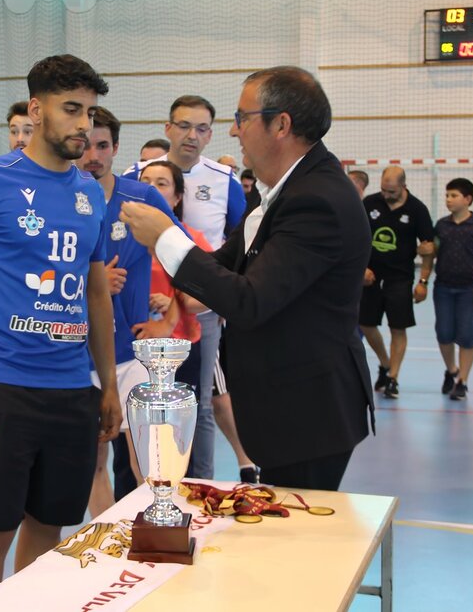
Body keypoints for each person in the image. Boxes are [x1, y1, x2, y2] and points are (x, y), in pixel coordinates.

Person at [120, 65, 374, 490]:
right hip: (285, 407)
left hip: (309, 414)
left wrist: (166, 237)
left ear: (281, 124)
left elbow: (250, 300)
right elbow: (221, 266)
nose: (234, 133)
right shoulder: (280, 192)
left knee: (296, 539)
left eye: (242, 118)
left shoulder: (317, 201)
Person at [0, 54, 120, 609]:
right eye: (71, 110)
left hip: (71, 389)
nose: (83, 126)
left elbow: (95, 294)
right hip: (4, 388)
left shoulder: (90, 194)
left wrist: (108, 383)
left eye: (90, 113)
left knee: (49, 533)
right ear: (36, 110)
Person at [124, 94, 247, 480]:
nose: (191, 135)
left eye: (202, 128)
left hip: (200, 308)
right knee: (137, 400)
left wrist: (222, 298)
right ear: (168, 129)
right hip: (143, 309)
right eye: (183, 126)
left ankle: (200, 482)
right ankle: (137, 485)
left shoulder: (225, 182)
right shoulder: (135, 174)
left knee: (203, 400)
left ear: (211, 134)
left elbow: (240, 242)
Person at [75, 106, 182, 514]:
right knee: (93, 464)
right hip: (77, 358)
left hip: (133, 355)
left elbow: (182, 255)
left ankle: (152, 537)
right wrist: (96, 283)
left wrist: (170, 319)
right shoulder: (60, 199)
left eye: (103, 145)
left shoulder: (141, 197)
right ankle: (105, 543)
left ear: (116, 148)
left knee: (147, 461)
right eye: (86, 145)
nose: (93, 155)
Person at [360, 166, 435, 399]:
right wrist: (361, 269)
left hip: (400, 277)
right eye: (383, 189)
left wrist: (423, 281)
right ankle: (385, 363)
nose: (386, 195)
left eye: (391, 191)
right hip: (370, 277)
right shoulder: (370, 204)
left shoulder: (417, 210)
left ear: (403, 186)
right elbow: (354, 237)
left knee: (397, 328)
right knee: (366, 325)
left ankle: (393, 377)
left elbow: (428, 249)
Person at [431, 178, 473, 401]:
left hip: (470, 289)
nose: (448, 200)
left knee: (467, 334)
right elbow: (433, 252)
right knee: (444, 332)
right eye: (447, 195)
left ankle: (463, 381)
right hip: (443, 287)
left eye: (453, 195)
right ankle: (451, 370)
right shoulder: (441, 225)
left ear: (467, 199)